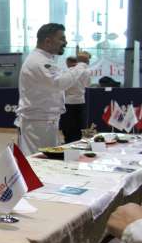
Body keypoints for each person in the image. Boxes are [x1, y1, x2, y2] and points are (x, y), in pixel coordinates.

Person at [15, 23, 91, 155]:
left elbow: (63, 79)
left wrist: (79, 68)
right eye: (61, 38)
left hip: (45, 121)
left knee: (45, 160)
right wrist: (81, 65)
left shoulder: (46, 59)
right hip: (37, 124)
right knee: (37, 162)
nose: (65, 42)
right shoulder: (38, 61)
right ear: (48, 41)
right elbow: (59, 83)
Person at [59, 52, 91, 143]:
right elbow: (88, 84)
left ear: (68, 63)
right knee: (79, 126)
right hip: (80, 101)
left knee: (68, 126)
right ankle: (77, 142)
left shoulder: (65, 72)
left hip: (68, 101)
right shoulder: (86, 71)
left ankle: (68, 141)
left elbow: (62, 87)